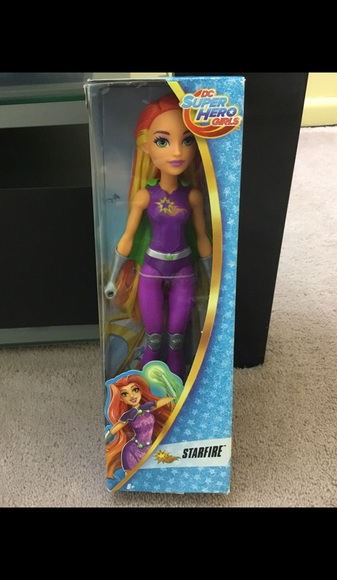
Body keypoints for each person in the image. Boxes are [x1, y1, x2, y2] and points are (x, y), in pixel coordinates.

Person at [104, 93, 212, 380]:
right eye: (163, 141)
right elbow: (127, 238)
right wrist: (113, 278)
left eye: (187, 140)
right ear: (145, 145)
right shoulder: (145, 196)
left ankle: (178, 393)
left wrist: (213, 282)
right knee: (154, 339)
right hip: (151, 270)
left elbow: (202, 238)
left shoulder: (192, 196)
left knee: (176, 339)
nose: (177, 152)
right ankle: (146, 390)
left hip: (183, 270)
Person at [105, 372, 174, 480]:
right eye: (125, 394)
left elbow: (169, 399)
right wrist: (105, 440)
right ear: (121, 399)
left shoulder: (148, 407)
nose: (132, 396)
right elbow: (115, 428)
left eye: (135, 390)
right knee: (131, 479)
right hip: (132, 451)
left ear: (141, 390)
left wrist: (166, 383)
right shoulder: (128, 415)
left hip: (150, 448)